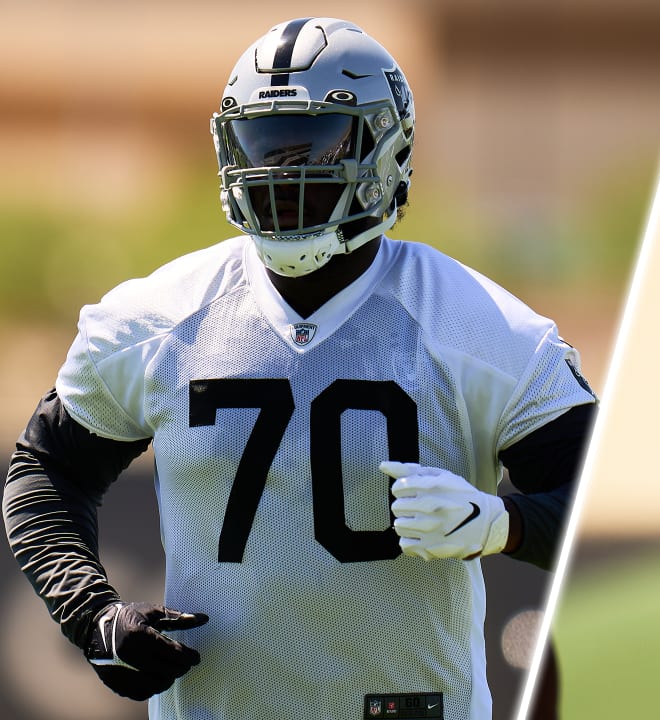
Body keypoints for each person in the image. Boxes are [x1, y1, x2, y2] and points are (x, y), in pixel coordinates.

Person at [3, 17, 595, 720]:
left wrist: (505, 524)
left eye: (312, 143)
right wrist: (93, 615)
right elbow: (45, 473)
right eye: (261, 143)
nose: (282, 171)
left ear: (385, 150)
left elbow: (583, 496)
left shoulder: (479, 327)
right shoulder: (161, 318)